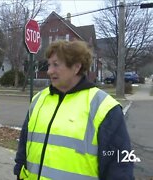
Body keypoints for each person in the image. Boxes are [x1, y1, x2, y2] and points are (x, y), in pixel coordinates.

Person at [14, 40, 133, 180]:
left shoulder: (104, 107)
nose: (49, 71)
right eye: (49, 64)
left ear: (76, 67)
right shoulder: (39, 99)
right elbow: (24, 143)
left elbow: (119, 166)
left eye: (56, 65)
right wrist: (19, 171)